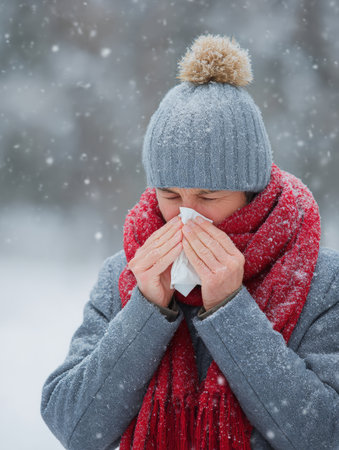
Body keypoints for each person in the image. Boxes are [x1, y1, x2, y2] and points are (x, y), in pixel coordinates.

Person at [41, 34, 339, 450]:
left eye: (208, 197)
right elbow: (72, 426)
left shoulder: (319, 281)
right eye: (170, 195)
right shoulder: (125, 273)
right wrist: (145, 312)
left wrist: (232, 313)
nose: (186, 215)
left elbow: (325, 434)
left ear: (251, 192)